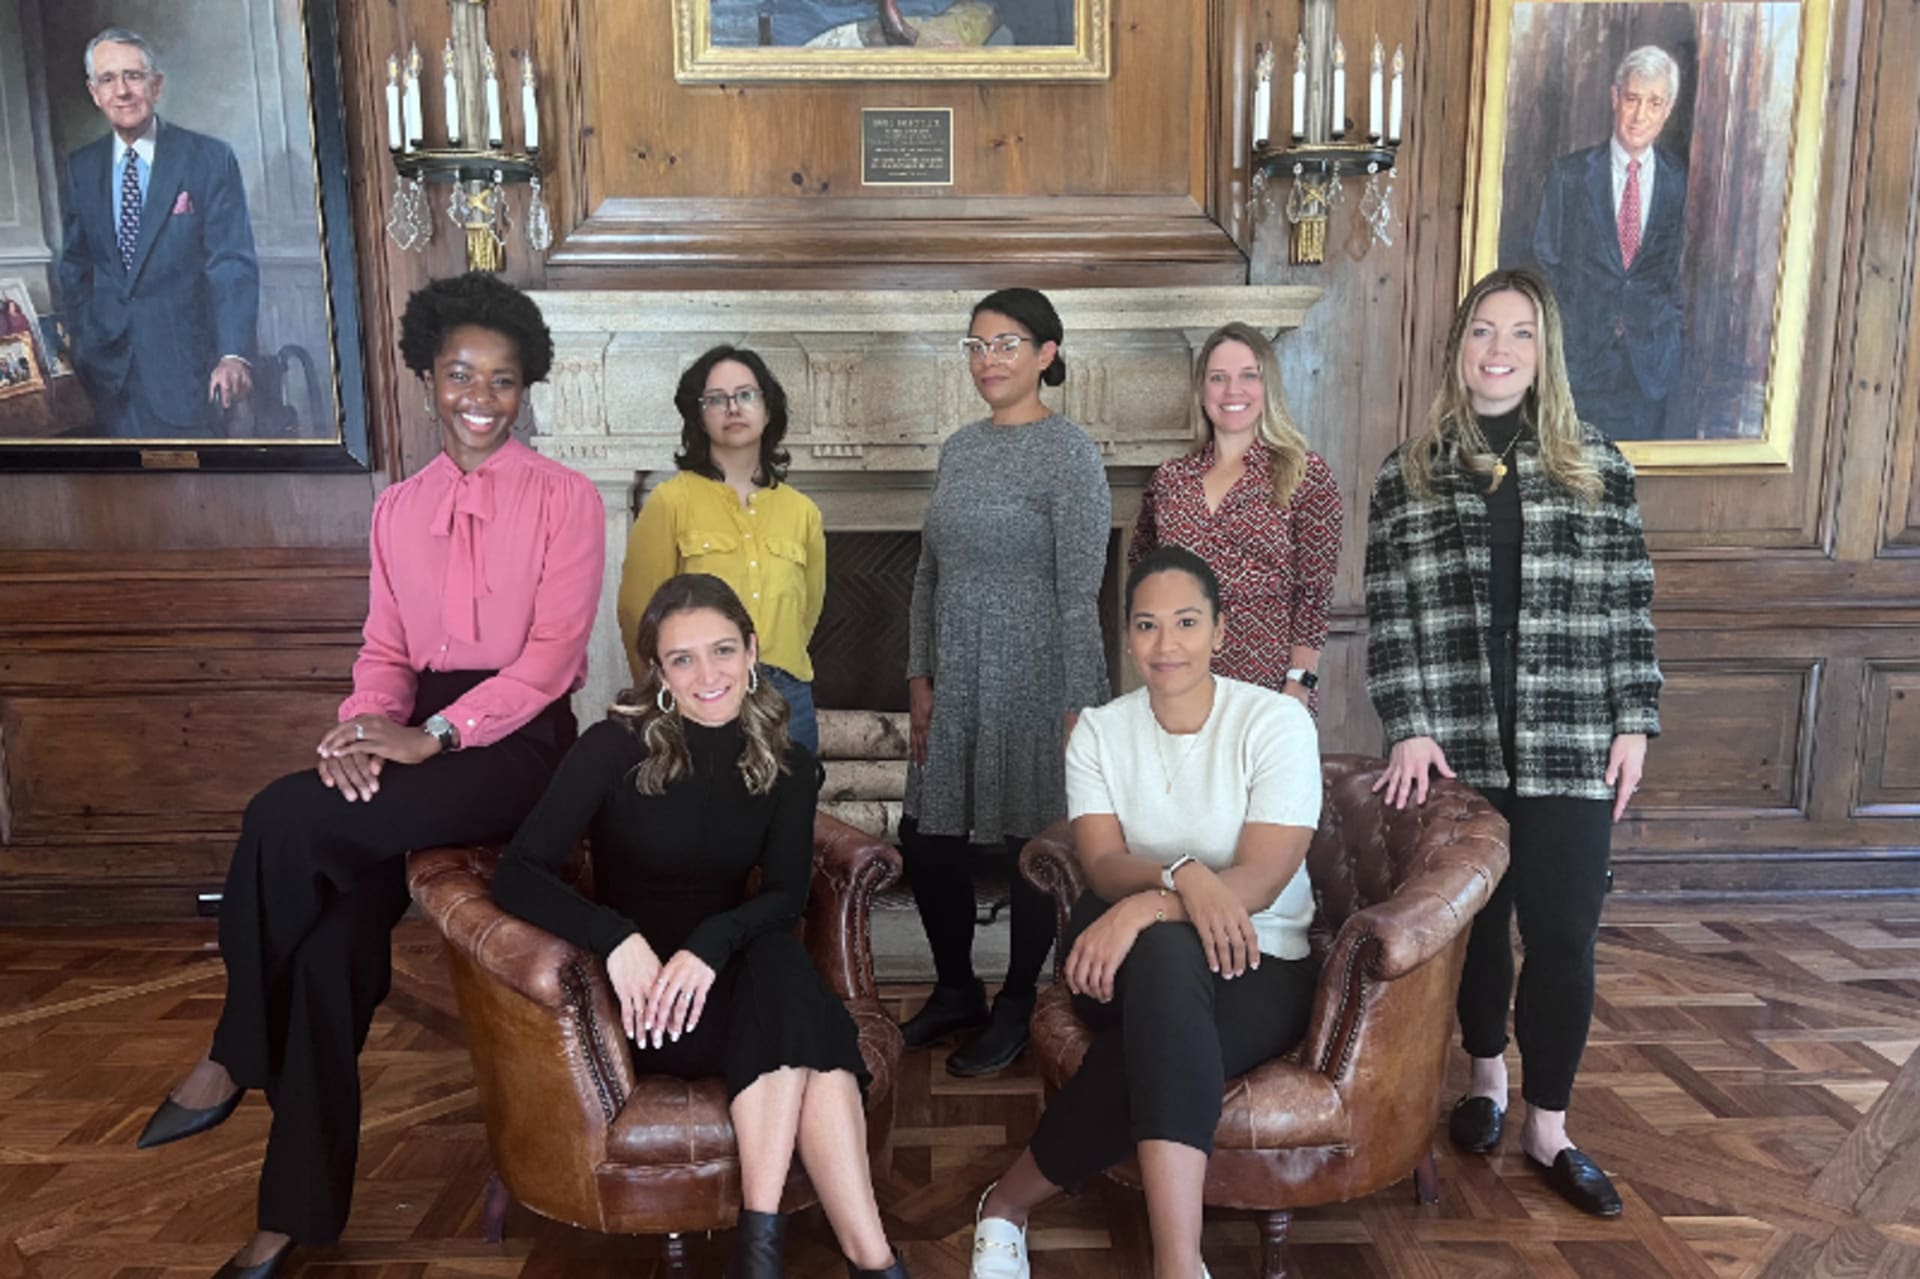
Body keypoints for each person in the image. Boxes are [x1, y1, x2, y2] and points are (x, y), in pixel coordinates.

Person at [134, 273, 604, 1278]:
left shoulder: (566, 500)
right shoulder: (397, 509)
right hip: (411, 733)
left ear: (527, 389)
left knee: (278, 816)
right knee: (327, 950)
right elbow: (384, 647)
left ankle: (229, 1054)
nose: (481, 394)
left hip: (513, 746)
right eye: (460, 373)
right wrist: (359, 729)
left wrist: (435, 731)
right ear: (428, 377)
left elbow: (554, 661)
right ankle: (286, 1223)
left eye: (505, 379)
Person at [494, 573, 910, 1279]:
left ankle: (811, 1255)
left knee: (779, 967)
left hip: (732, 972)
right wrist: (619, 938)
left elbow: (782, 894)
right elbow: (517, 872)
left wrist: (711, 943)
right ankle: (864, 1263)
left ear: (752, 651)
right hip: (653, 1000)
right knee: (802, 1014)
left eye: (722, 650)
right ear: (658, 671)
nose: (707, 674)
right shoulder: (612, 749)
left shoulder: (786, 763)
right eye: (682, 658)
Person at [1363, 268, 1661, 1218]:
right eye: (1483, 331)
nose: (1499, 350)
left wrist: (1634, 720)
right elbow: (1390, 615)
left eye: (1521, 334)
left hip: (1573, 734)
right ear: (1458, 348)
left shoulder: (1598, 467)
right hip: (1455, 740)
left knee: (1565, 933)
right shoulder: (1407, 474)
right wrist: (1407, 720)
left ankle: (1550, 1123)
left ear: (1545, 353)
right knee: (1479, 927)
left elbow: (1629, 605)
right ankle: (1484, 1078)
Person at [968, 545, 1321, 1279]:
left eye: (1187, 622)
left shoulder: (1276, 724)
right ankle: (1177, 1263)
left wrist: (1150, 906)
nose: (1168, 644)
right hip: (1118, 965)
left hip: (1260, 958)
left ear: (1221, 631)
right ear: (1127, 637)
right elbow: (1099, 862)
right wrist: (1182, 876)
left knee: (1150, 1043)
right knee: (1163, 966)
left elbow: (1260, 877)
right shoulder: (1100, 730)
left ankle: (1005, 1205)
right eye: (1148, 625)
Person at [898, 286, 1111, 1078]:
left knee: (1032, 840)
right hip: (954, 665)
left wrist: (1078, 703)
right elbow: (927, 571)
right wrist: (919, 673)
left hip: (1038, 667)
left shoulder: (1072, 454)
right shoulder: (959, 447)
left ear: (1046, 356)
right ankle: (957, 986)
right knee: (926, 837)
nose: (988, 359)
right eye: (976, 345)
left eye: (1006, 344)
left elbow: (1078, 590)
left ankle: (1020, 998)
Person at [618, 346, 826, 754]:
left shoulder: (803, 512)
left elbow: (808, 613)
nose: (733, 408)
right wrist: (668, 693)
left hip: (787, 697)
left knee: (788, 813)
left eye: (746, 395)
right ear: (699, 416)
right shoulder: (670, 502)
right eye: (716, 399)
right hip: (701, 691)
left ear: (768, 410)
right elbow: (636, 613)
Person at [56, 27, 259, 438]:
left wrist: (233, 354)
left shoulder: (208, 158)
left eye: (133, 76)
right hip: (105, 380)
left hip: (190, 376)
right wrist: (84, 342)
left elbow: (231, 261)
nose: (122, 91)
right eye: (108, 79)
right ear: (94, 93)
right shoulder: (82, 168)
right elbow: (76, 265)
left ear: (157, 85)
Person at [1127, 321, 1341, 709]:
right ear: (1202, 390)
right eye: (1218, 378)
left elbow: (1314, 595)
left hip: (1269, 691)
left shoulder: (1303, 473)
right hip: (1181, 687)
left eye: (1248, 376)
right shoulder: (1170, 479)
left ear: (1268, 386)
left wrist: (1296, 689)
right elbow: (1141, 569)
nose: (1232, 391)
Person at [1530, 45, 1688, 441]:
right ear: (1614, 97)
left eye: (1654, 103)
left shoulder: (1680, 181)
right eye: (1633, 99)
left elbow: (1686, 271)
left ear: (1667, 109)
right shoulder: (1568, 176)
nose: (1640, 115)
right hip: (1579, 366)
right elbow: (1542, 265)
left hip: (1650, 370)